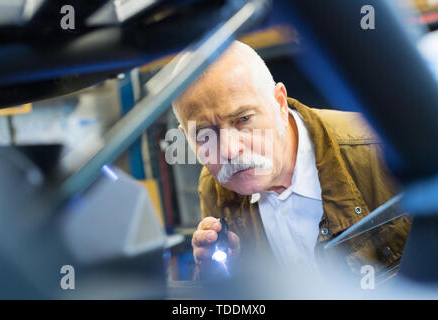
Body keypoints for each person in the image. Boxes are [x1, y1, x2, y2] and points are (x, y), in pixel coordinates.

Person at [171, 41, 411, 280]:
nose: (230, 151)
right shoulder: (214, 187)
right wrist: (219, 278)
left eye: (244, 119)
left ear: (280, 102)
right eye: (204, 135)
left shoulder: (380, 151)